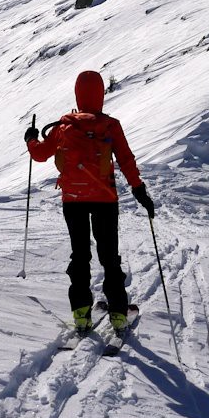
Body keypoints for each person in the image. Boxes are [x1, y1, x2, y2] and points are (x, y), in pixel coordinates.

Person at [25, 70, 155, 336]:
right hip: (105, 199)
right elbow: (126, 160)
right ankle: (119, 315)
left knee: (80, 255)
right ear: (100, 95)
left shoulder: (63, 127)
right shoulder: (110, 126)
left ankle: (81, 314)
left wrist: (30, 138)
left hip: (72, 200)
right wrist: (139, 190)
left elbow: (39, 155)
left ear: (77, 94)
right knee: (109, 258)